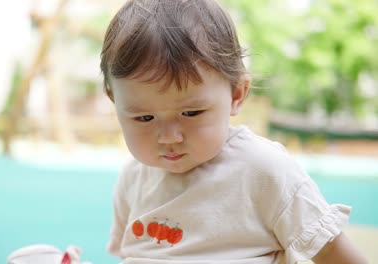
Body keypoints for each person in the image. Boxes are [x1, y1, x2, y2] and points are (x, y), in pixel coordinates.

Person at [100, 0, 367, 263]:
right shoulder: (134, 178)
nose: (169, 137)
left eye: (191, 113)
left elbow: (330, 250)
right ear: (115, 101)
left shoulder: (264, 170)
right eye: (144, 117)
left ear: (237, 93)